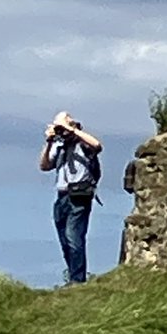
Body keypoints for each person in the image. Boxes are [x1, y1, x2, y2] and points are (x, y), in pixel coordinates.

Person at [39, 110, 103, 285]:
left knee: (74, 238)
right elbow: (44, 166)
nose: (62, 131)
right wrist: (49, 141)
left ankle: (78, 280)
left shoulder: (83, 145)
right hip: (61, 197)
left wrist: (71, 129)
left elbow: (97, 145)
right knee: (65, 241)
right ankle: (74, 276)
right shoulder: (59, 146)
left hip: (79, 196)